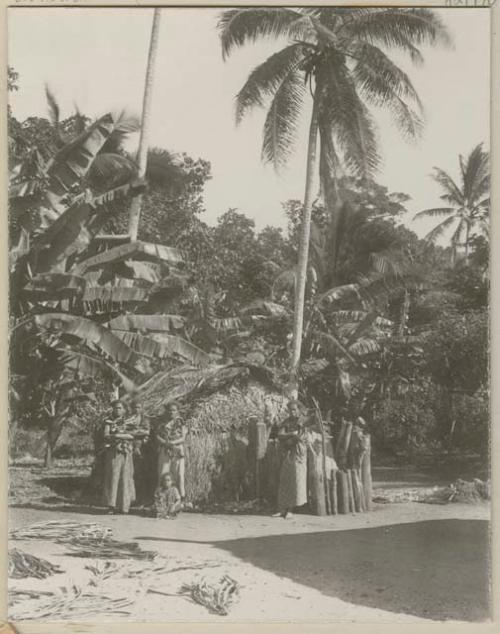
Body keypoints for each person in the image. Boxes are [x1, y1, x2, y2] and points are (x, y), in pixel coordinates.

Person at [273, 400, 310, 519]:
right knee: (285, 479)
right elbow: (280, 435)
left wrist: (290, 438)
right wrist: (291, 434)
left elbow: (300, 438)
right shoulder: (287, 421)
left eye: (294, 409)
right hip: (288, 453)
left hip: (299, 454)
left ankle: (291, 509)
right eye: (290, 410)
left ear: (299, 410)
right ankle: (283, 508)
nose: (292, 412)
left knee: (296, 480)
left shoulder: (303, 421)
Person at [102, 400, 136, 514]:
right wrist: (118, 436)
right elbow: (106, 435)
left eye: (120, 408)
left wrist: (117, 435)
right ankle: (112, 506)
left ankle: (124, 506)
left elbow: (132, 435)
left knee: (125, 477)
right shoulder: (109, 421)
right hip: (113, 452)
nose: (117, 410)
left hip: (126, 452)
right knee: (113, 477)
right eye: (116, 408)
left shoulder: (129, 421)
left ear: (124, 409)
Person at [156, 403, 187, 502]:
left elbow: (183, 437)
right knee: (163, 473)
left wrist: (172, 442)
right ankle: (162, 498)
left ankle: (180, 498)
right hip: (165, 449)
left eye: (174, 410)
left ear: (177, 411)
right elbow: (157, 436)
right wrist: (165, 443)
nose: (171, 412)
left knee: (179, 474)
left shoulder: (181, 422)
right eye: (169, 410)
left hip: (177, 449)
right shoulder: (161, 422)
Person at [128, 402, 150, 506]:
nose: (136, 409)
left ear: (141, 408)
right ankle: (130, 498)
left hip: (140, 449)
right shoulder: (128, 419)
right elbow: (125, 430)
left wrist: (134, 432)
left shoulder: (144, 419)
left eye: (139, 407)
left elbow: (146, 432)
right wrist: (137, 432)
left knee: (140, 474)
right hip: (129, 448)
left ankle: (141, 499)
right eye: (135, 407)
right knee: (129, 473)